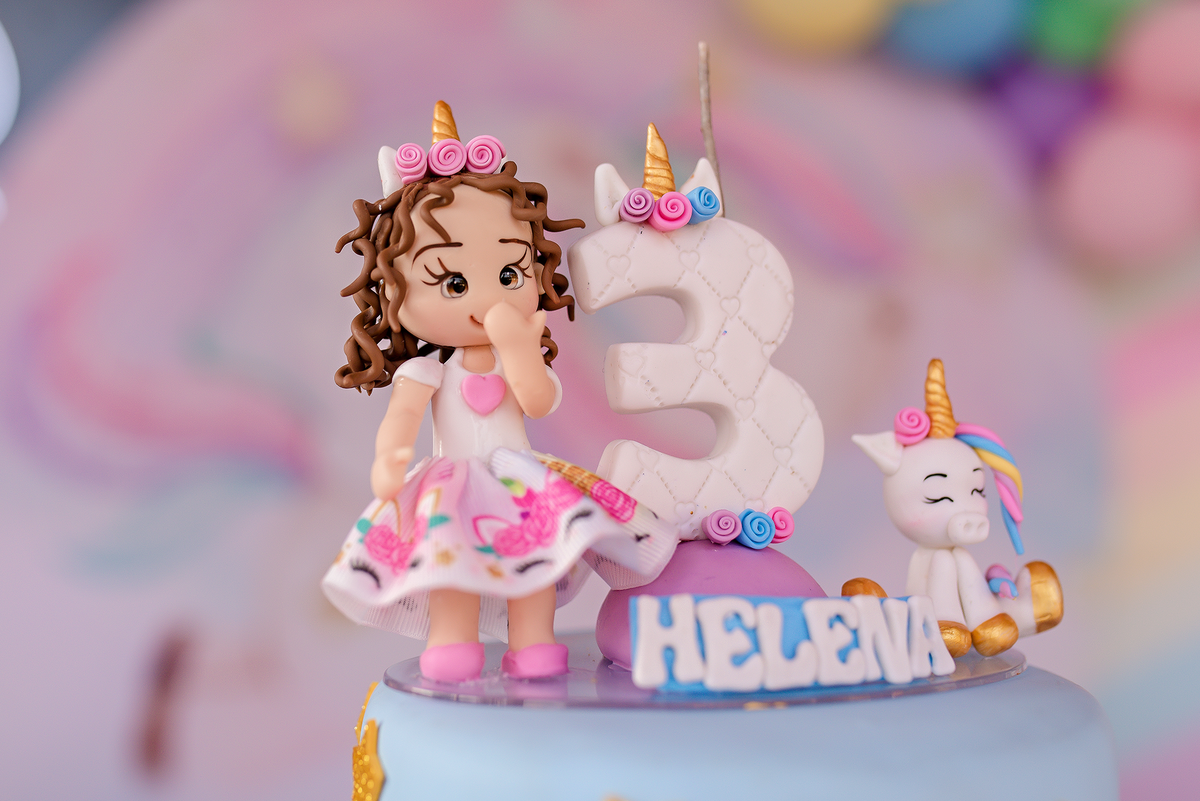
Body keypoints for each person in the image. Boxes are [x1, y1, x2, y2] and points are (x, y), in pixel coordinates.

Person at [322, 102, 675, 682]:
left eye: (510, 274)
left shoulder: (520, 348)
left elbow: (537, 402)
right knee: (450, 562)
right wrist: (390, 462)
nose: (488, 297)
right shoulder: (429, 367)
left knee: (535, 558)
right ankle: (452, 642)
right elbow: (403, 416)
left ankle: (534, 644)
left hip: (519, 473)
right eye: (454, 281)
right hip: (453, 481)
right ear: (394, 292)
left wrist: (517, 347)